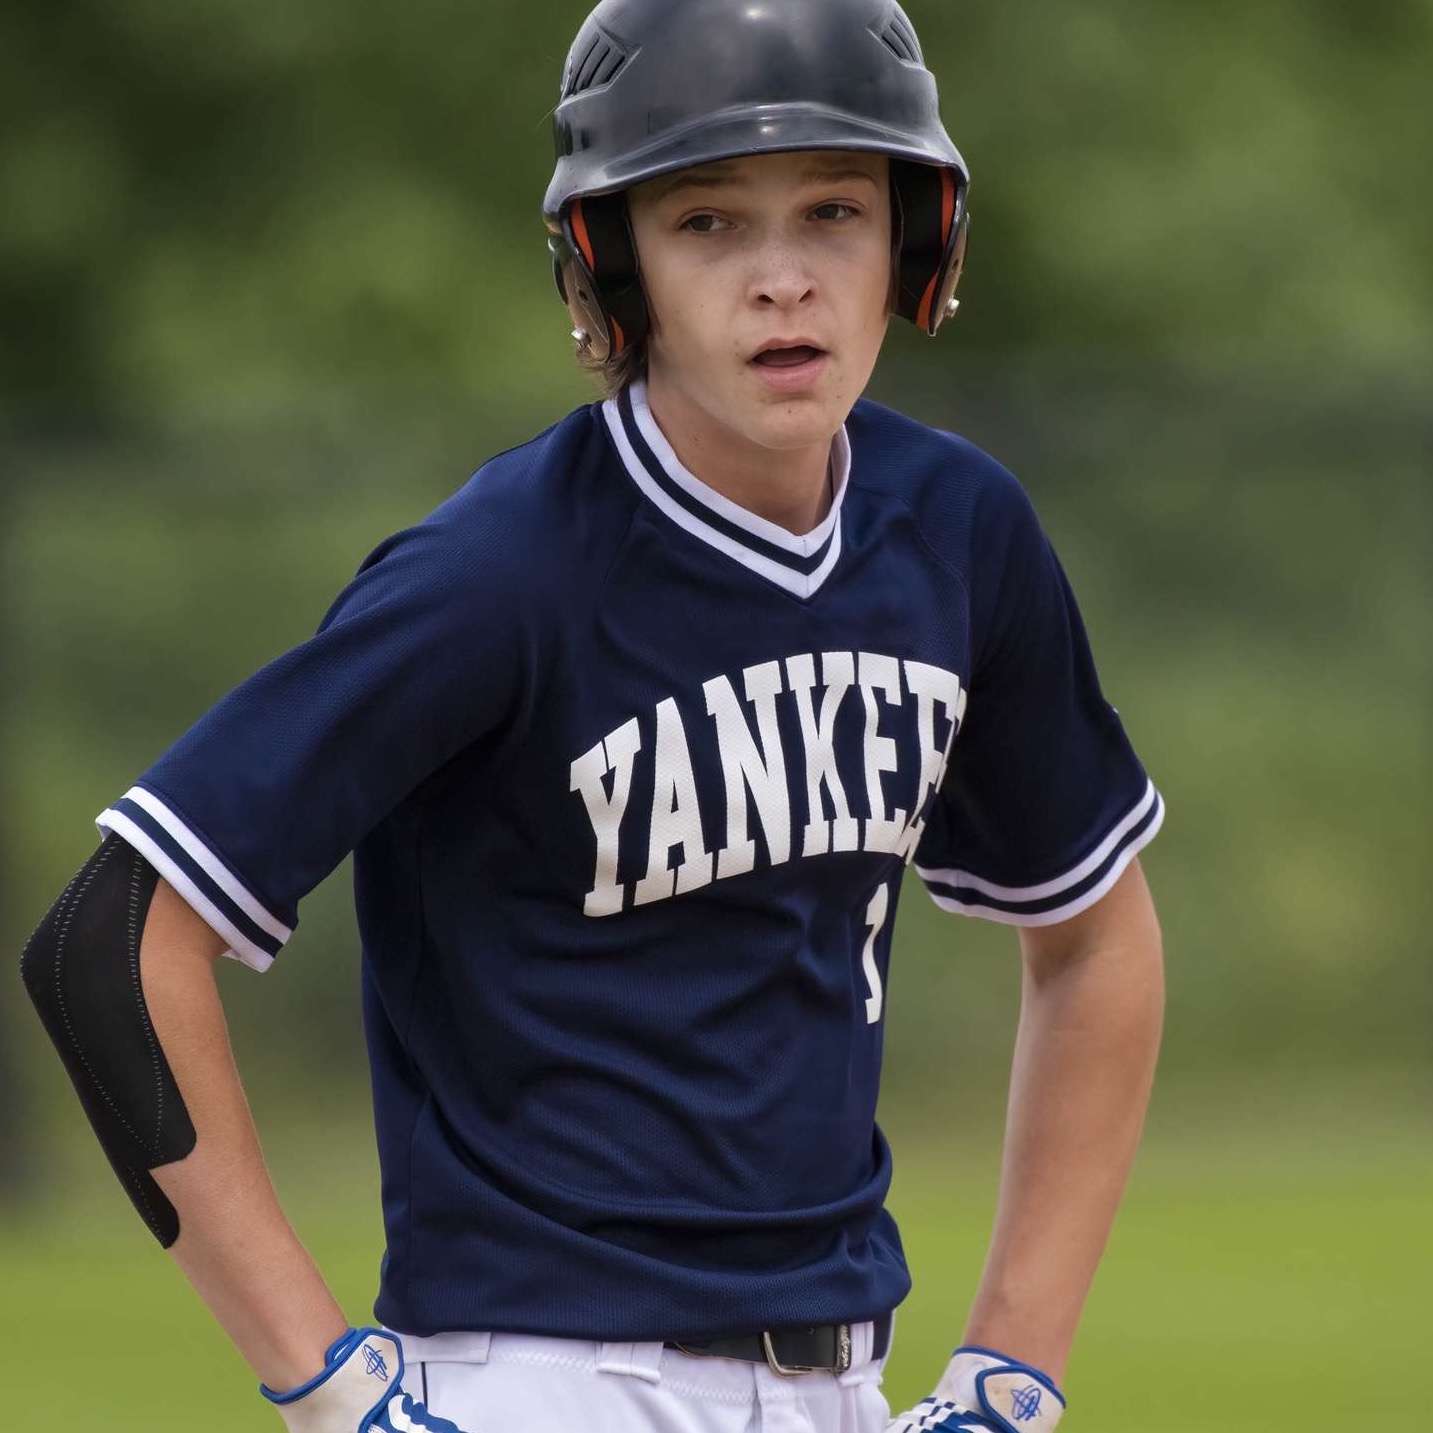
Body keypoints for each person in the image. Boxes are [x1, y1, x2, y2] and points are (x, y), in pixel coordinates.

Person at [21, 2, 1166, 1430]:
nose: (783, 280)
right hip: (541, 1375)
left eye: (833, 209)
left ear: (915, 241)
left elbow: (1096, 935)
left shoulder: (956, 533)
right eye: (706, 222)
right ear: (612, 264)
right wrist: (327, 1387)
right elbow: (111, 940)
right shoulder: (504, 571)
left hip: (844, 1383)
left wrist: (1013, 1370)